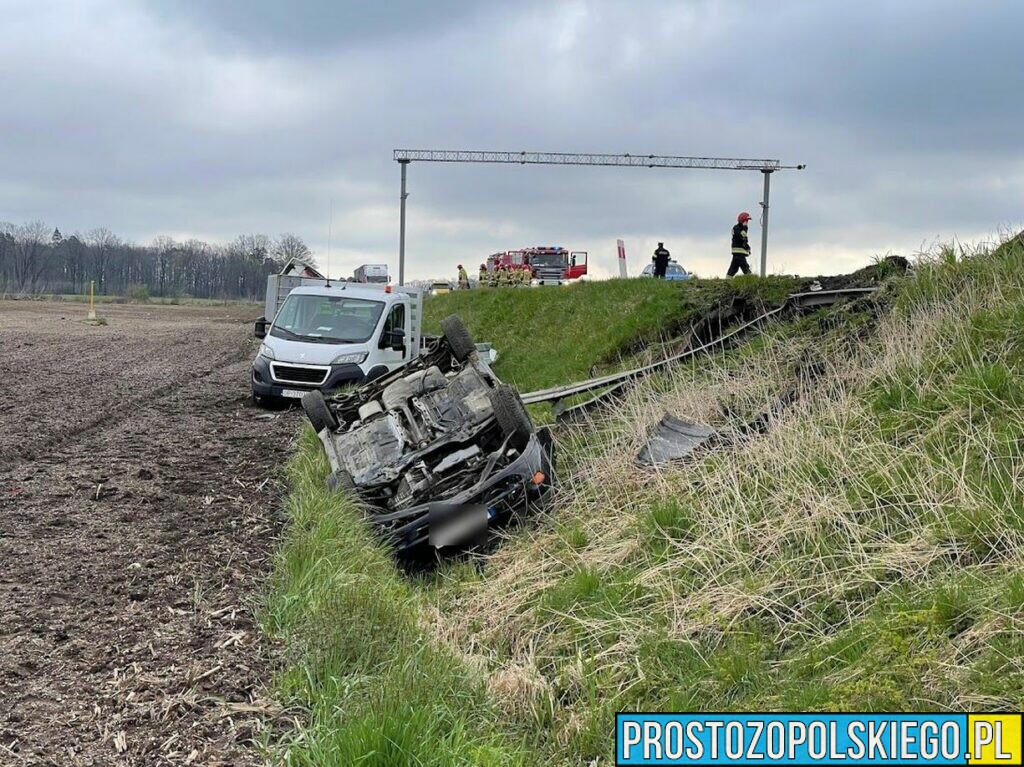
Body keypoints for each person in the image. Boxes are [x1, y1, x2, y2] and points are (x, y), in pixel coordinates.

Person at [728, 212, 753, 276]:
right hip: (739, 252)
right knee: (745, 267)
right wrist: (744, 228)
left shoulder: (743, 228)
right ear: (742, 220)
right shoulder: (737, 228)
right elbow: (742, 237)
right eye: (746, 221)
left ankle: (727, 281)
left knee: (733, 269)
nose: (747, 222)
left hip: (739, 252)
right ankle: (751, 279)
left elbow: (744, 241)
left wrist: (747, 247)